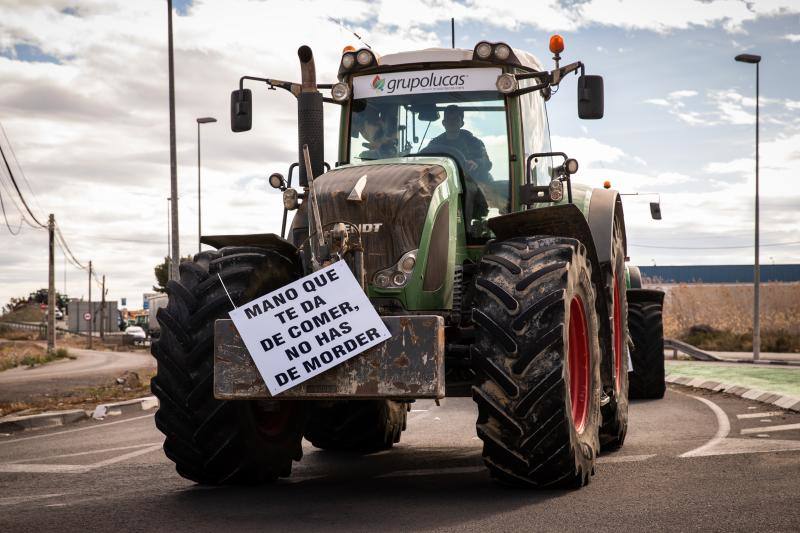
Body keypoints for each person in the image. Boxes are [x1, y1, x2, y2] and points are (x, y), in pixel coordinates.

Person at [425, 105, 492, 181]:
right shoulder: (434, 144)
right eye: (448, 119)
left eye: (455, 119)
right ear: (443, 123)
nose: (451, 122)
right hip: (444, 183)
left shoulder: (474, 142)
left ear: (462, 123)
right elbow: (425, 163)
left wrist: (476, 163)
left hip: (473, 183)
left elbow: (487, 163)